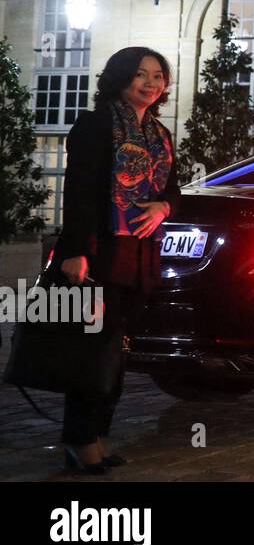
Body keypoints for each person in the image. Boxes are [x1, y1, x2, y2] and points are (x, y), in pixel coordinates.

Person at [51, 47, 181, 474]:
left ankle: (99, 437)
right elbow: (80, 191)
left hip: (140, 255)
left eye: (157, 75)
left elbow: (172, 193)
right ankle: (80, 439)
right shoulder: (96, 124)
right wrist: (75, 252)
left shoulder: (160, 135)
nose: (150, 83)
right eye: (140, 74)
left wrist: (163, 209)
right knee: (93, 350)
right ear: (120, 78)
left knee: (117, 352)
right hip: (101, 253)